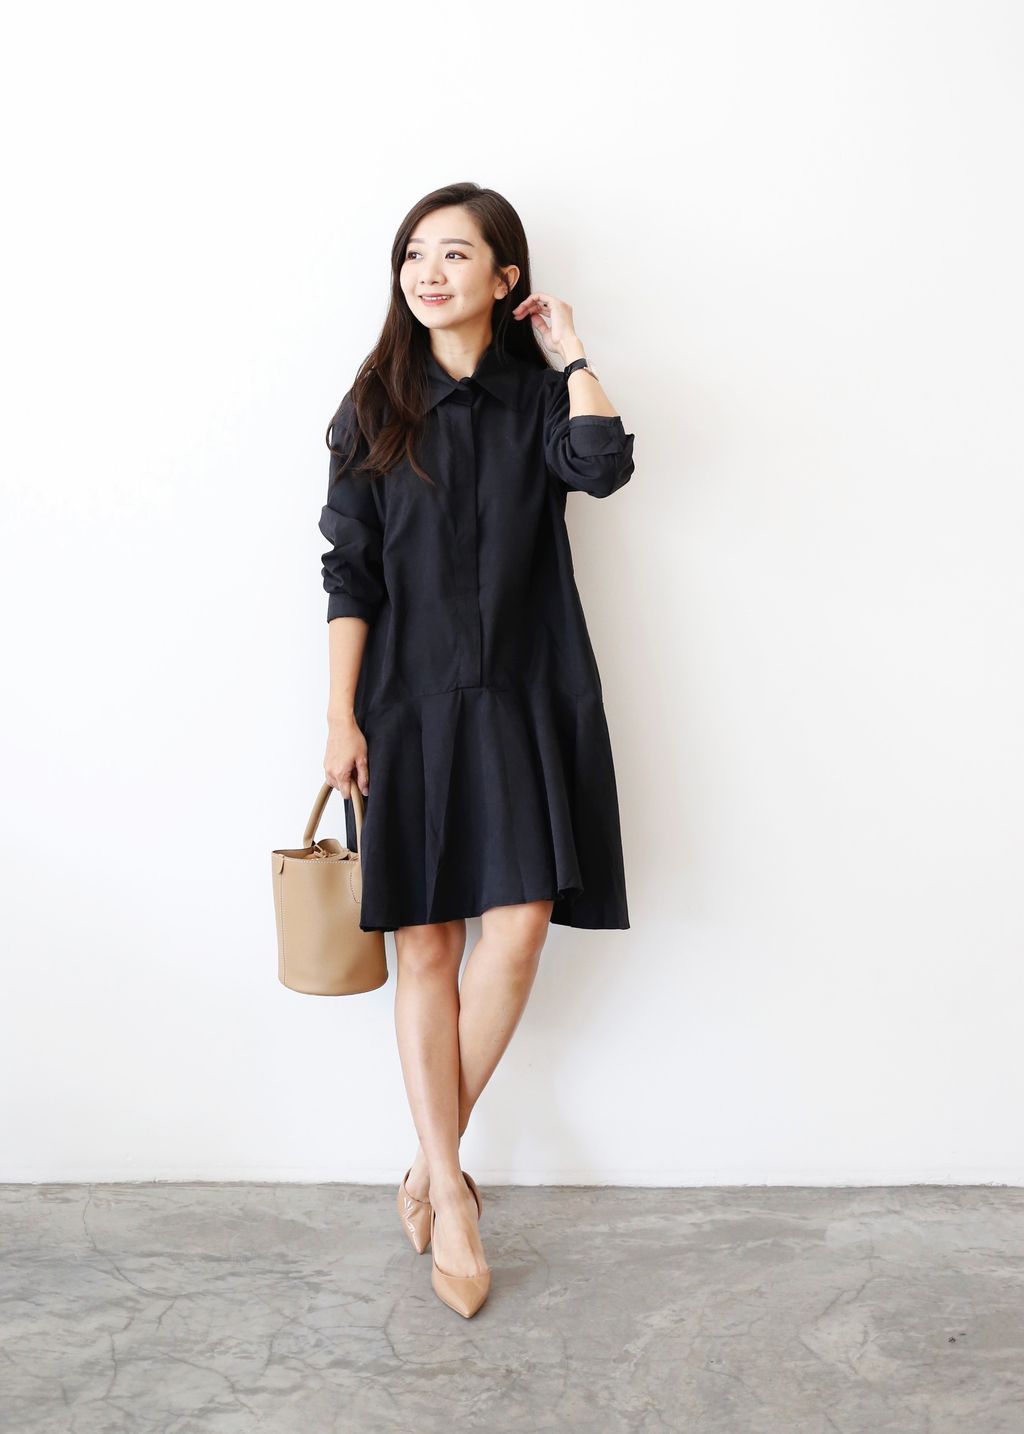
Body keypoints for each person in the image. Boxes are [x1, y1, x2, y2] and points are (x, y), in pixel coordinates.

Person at [319, 182, 635, 1317]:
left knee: (519, 926)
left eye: (456, 254)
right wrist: (339, 716)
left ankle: (424, 1164)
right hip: (404, 704)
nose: (428, 272)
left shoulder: (540, 398)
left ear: (506, 279)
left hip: (523, 697)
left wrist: (570, 350)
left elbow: (600, 465)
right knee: (426, 946)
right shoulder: (372, 406)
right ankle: (452, 1193)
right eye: (415, 253)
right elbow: (349, 571)